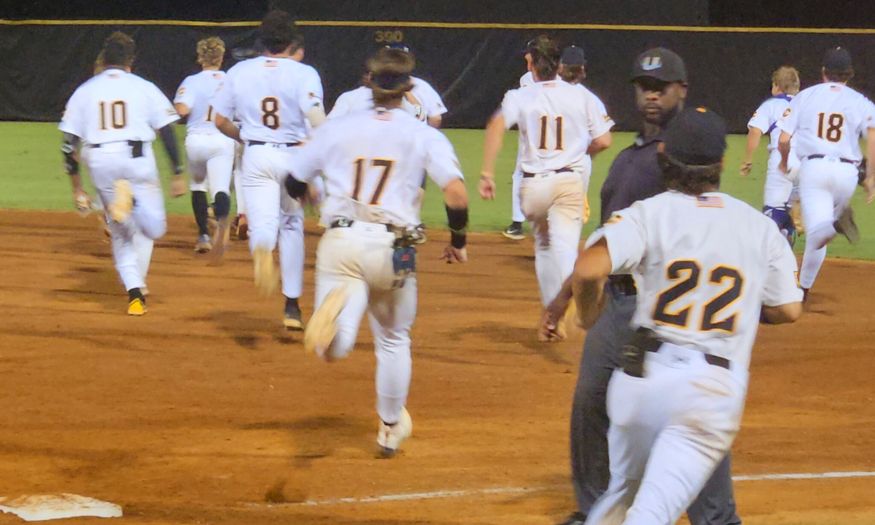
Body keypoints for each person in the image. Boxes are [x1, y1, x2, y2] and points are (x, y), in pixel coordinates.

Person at [566, 106, 803, 525]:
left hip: (638, 381)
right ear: (722, 164)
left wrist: (586, 316)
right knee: (650, 515)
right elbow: (788, 308)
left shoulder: (649, 213)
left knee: (622, 499)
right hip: (707, 394)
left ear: (664, 157)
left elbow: (587, 268)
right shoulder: (758, 227)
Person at [543, 48, 743, 525]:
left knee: (688, 412)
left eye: (662, 86)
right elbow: (605, 239)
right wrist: (564, 295)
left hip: (666, 305)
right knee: (591, 403)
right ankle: (594, 510)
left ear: (681, 90)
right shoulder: (630, 158)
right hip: (617, 299)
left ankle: (715, 517)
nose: (651, 94)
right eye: (644, 86)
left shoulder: (685, 157)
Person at [284, 47, 469, 456]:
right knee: (392, 339)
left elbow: (294, 180)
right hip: (394, 245)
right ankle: (388, 428)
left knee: (339, 339)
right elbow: (455, 193)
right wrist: (457, 241)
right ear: (409, 87)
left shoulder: (337, 128)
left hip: (342, 238)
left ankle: (332, 336)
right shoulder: (423, 134)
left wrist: (310, 195)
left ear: (368, 81)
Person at [480, 35, 612, 333]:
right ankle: (566, 310)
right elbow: (604, 140)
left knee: (543, 245)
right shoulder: (582, 96)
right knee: (566, 249)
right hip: (569, 180)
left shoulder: (520, 95)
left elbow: (496, 125)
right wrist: (580, 150)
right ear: (560, 64)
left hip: (532, 188)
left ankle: (551, 312)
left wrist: (487, 173)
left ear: (531, 63)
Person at [212, 10, 326, 330]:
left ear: (261, 41)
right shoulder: (304, 73)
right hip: (294, 156)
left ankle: (262, 248)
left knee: (263, 224)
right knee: (291, 225)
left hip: (257, 153)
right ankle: (292, 306)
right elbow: (315, 118)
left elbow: (219, 120)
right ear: (291, 42)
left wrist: (244, 137)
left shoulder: (238, 71)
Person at [59, 31, 185, 315]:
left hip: (101, 161)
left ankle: (135, 295)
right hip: (137, 158)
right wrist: (177, 170)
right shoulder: (143, 86)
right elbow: (166, 130)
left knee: (121, 235)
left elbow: (68, 146)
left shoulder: (85, 90)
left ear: (103, 60)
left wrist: (77, 188)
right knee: (154, 229)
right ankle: (134, 203)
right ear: (131, 61)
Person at [777, 47, 875, 301]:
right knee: (820, 235)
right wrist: (871, 177)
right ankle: (804, 289)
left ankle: (830, 226)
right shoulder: (860, 101)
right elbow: (873, 136)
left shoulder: (805, 96)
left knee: (819, 230)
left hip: (814, 169)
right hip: (847, 173)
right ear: (849, 75)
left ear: (823, 73)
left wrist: (784, 161)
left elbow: (784, 139)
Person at [174, 36, 236, 260]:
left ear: (200, 57)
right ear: (221, 57)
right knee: (220, 189)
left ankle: (203, 236)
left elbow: (181, 109)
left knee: (198, 186)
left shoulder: (192, 81)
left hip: (197, 140)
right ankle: (218, 224)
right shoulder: (232, 80)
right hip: (222, 140)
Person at [739, 66, 802, 246]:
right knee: (789, 210)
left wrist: (747, 159)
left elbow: (755, 131)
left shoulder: (771, 105)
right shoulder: (806, 103)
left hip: (782, 160)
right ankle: (791, 228)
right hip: (806, 163)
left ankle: (776, 252)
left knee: (772, 216)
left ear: (776, 86)